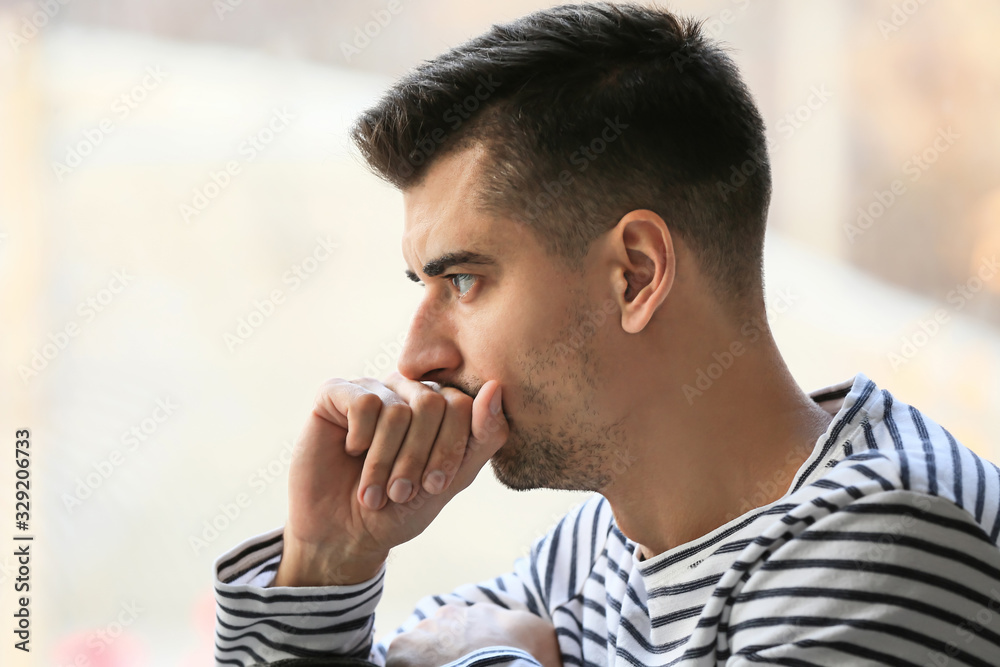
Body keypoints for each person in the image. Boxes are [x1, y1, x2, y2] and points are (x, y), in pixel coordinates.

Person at [213, 3, 1000, 666]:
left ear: (635, 273)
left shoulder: (884, 543)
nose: (417, 357)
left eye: (463, 281)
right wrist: (326, 565)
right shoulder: (602, 544)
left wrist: (484, 658)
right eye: (424, 286)